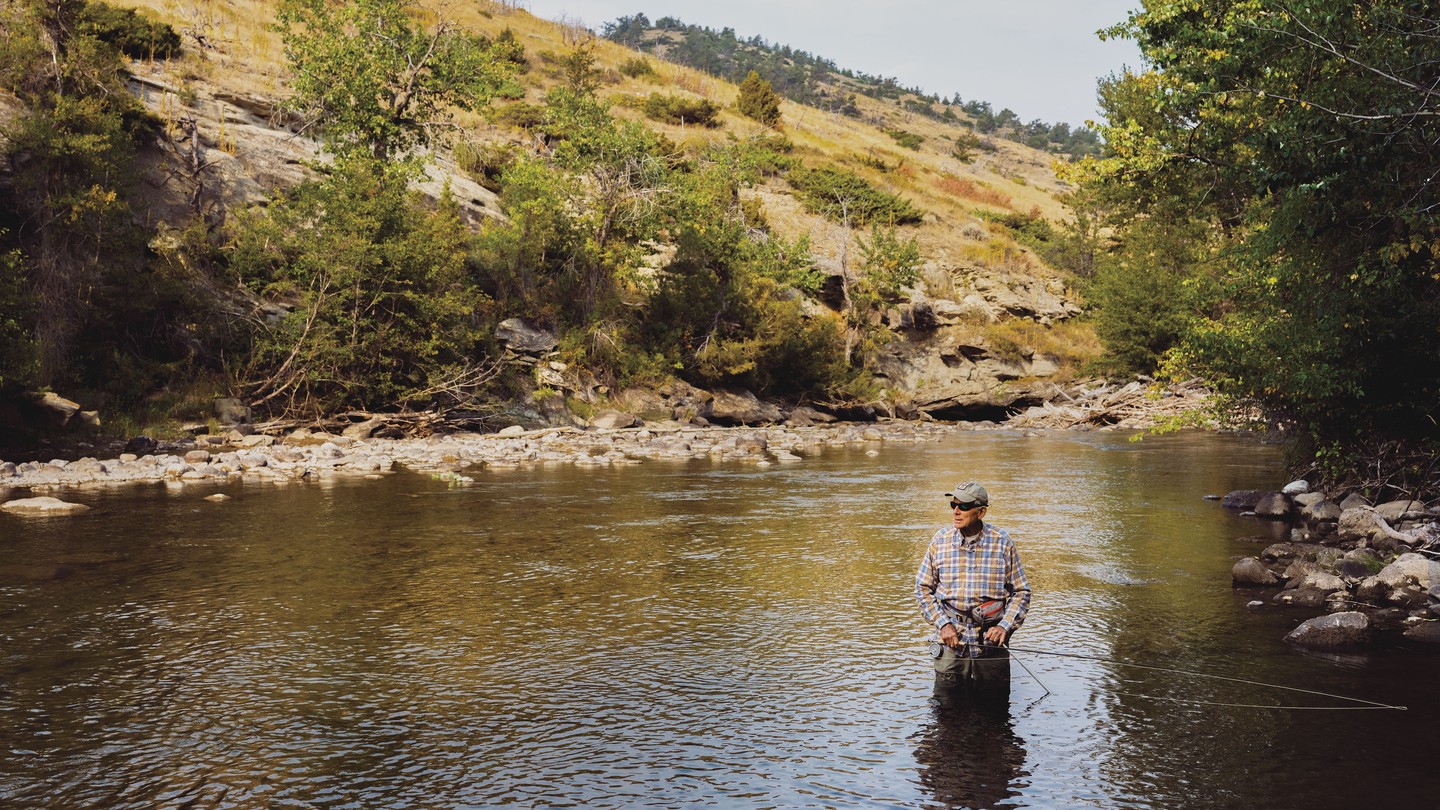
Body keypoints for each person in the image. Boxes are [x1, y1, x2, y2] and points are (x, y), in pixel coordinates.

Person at [914, 481, 1031, 693]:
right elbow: (922, 588)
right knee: (947, 712)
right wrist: (943, 625)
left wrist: (1004, 626)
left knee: (994, 713)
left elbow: (1021, 592)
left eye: (964, 507)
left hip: (991, 644)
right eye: (953, 505)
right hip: (951, 642)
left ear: (981, 512)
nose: (956, 512)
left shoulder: (1003, 542)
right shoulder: (939, 541)